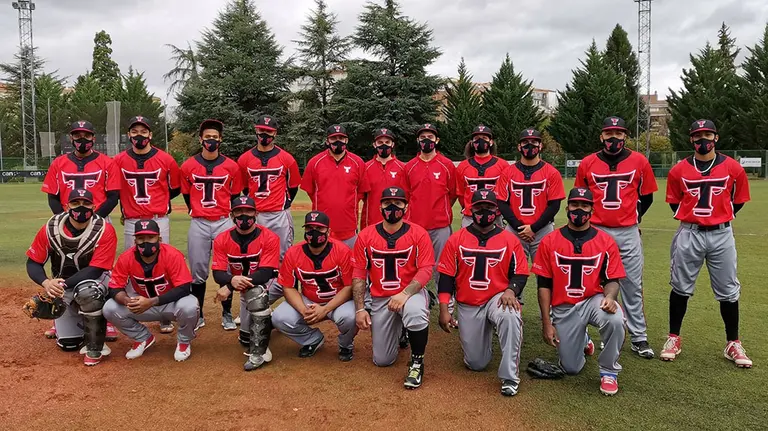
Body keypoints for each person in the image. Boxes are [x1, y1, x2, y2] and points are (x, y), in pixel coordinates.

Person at [661, 119, 752, 368]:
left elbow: (738, 201)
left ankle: (732, 342)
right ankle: (673, 337)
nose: (703, 141)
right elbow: (675, 202)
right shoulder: (679, 170)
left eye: (708, 135)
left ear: (716, 138)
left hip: (721, 234)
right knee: (680, 286)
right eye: (698, 136)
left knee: (728, 290)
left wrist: (717, 217)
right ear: (691, 139)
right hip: (689, 232)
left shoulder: (733, 168)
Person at [574, 116, 656, 359]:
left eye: (618, 134)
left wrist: (634, 217)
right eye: (609, 133)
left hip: (627, 231)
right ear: (601, 136)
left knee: (632, 284)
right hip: (596, 231)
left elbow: (647, 196)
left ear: (625, 136)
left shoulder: (639, 161)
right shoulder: (588, 163)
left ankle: (639, 337)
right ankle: (598, 334)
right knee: (591, 283)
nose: (613, 138)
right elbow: (581, 198)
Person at [533, 188, 626, 396]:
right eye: (575, 205)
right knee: (571, 368)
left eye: (585, 205)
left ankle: (609, 371)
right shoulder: (549, 241)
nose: (579, 209)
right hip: (564, 307)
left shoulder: (605, 241)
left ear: (592, 210)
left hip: (593, 300)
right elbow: (544, 285)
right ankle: (583, 340)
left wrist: (610, 297)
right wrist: (547, 324)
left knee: (615, 318)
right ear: (567, 208)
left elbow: (613, 279)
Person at [437, 190, 529, 397]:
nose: (484, 211)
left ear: (496, 211)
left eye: (489, 207)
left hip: (498, 297)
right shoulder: (456, 239)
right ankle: (485, 332)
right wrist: (444, 308)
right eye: (479, 208)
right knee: (476, 363)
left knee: (510, 315)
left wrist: (511, 290)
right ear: (470, 210)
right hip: (469, 302)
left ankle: (509, 376)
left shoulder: (509, 239)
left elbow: (521, 273)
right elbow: (446, 277)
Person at [41, 120, 121, 340]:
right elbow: (53, 196)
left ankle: (107, 319)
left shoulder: (107, 162)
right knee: (62, 265)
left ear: (93, 138)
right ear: (71, 139)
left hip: (100, 221)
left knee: (104, 270)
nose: (82, 140)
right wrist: (64, 220)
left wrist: (93, 222)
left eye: (86, 136)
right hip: (67, 223)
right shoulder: (59, 163)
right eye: (77, 136)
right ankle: (60, 318)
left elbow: (113, 196)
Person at [352, 187, 434, 389]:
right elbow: (359, 274)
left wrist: (405, 294)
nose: (392, 207)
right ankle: (401, 330)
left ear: (406, 206)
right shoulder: (366, 235)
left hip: (409, 293)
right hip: (381, 299)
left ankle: (416, 362)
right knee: (382, 360)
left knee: (415, 311)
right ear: (379, 205)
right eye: (387, 202)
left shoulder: (418, 234)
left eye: (398, 203)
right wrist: (360, 308)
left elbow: (426, 269)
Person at [25, 189, 118, 366]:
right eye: (76, 204)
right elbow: (33, 263)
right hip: (63, 284)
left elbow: (95, 269)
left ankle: (95, 345)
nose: (81, 208)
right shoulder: (50, 228)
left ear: (94, 206)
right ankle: (81, 322)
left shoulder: (104, 229)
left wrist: (61, 285)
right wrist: (47, 283)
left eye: (86, 204)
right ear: (67, 206)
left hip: (96, 281)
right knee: (68, 345)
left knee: (88, 293)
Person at [113, 116, 181, 334]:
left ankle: (164, 313)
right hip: (133, 220)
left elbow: (175, 188)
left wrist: (158, 201)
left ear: (151, 135)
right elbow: (114, 189)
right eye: (135, 131)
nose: (139, 135)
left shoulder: (166, 159)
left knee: (164, 264)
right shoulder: (119, 160)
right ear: (129, 135)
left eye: (144, 131)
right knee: (132, 265)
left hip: (157, 218)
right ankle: (135, 309)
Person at [103, 220, 198, 362]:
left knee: (190, 305)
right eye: (141, 238)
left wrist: (152, 302)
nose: (145, 242)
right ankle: (143, 338)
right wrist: (128, 301)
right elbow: (114, 287)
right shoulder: (126, 257)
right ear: (135, 240)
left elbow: (184, 288)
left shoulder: (172, 254)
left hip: (169, 303)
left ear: (159, 239)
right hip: (141, 303)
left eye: (150, 237)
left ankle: (184, 341)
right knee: (109, 308)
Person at [180, 119, 244, 331]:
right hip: (199, 221)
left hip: (223, 221)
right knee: (198, 269)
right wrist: (197, 211)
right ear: (200, 139)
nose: (211, 141)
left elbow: (235, 197)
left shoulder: (231, 166)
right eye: (207, 137)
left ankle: (226, 313)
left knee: (225, 268)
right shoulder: (189, 165)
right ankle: (198, 314)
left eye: (215, 137)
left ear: (220, 140)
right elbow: (187, 195)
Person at [271, 211, 357, 361]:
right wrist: (303, 309)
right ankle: (312, 339)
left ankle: (345, 344)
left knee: (350, 317)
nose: (314, 232)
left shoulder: (342, 251)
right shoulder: (293, 253)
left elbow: (349, 287)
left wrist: (325, 309)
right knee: (279, 318)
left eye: (319, 228)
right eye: (309, 228)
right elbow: (288, 287)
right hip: (309, 300)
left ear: (329, 231)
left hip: (337, 301)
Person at [237, 115, 301, 315]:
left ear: (275, 133)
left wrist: (282, 204)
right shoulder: (245, 159)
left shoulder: (286, 158)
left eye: (269, 131)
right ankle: (254, 304)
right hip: (257, 215)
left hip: (279, 214)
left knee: (284, 258)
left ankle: (292, 303)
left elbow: (293, 186)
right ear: (256, 131)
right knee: (254, 259)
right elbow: (244, 188)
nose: (264, 134)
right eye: (261, 130)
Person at [211, 196, 280, 371]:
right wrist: (230, 280)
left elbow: (265, 274)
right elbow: (218, 273)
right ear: (231, 215)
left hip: (273, 281)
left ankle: (260, 351)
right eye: (239, 211)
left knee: (256, 293)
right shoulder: (221, 239)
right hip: (244, 286)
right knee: (244, 339)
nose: (244, 215)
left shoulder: (269, 237)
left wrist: (230, 285)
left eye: (248, 211)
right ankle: (267, 320)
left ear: (256, 213)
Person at [403, 123, 458, 313]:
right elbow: (406, 196)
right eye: (423, 136)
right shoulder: (409, 166)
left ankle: (447, 305)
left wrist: (441, 212)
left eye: (430, 136)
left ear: (437, 140)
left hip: (440, 225)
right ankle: (419, 304)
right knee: (414, 267)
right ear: (418, 140)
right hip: (415, 227)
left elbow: (452, 194)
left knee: (442, 267)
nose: (427, 140)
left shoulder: (447, 165)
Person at [496, 128, 564, 263]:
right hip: (515, 229)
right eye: (525, 142)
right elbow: (502, 203)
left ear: (540, 146)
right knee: (511, 273)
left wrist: (533, 228)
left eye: (534, 141)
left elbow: (554, 204)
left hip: (543, 229)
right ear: (519, 146)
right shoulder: (507, 172)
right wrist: (519, 227)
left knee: (546, 275)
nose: (530, 145)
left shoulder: (552, 173)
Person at [301, 125, 370, 249]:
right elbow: (311, 191)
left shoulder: (358, 162)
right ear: (327, 141)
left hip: (348, 228)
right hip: (321, 226)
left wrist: (346, 204)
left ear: (346, 140)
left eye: (341, 138)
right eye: (334, 138)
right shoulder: (315, 162)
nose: (338, 141)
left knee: (349, 266)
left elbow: (361, 192)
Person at [455, 125, 508, 228]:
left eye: (484, 138)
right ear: (471, 142)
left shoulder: (503, 165)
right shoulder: (462, 166)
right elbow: (461, 194)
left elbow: (505, 194)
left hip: (494, 216)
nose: (480, 141)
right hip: (470, 217)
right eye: (476, 138)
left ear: (491, 142)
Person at [361, 128, 407, 229]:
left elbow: (406, 196)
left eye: (387, 142)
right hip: (371, 223)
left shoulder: (403, 168)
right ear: (374, 144)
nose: (384, 145)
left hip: (397, 223)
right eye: (380, 142)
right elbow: (362, 196)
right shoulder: (365, 168)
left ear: (392, 144)